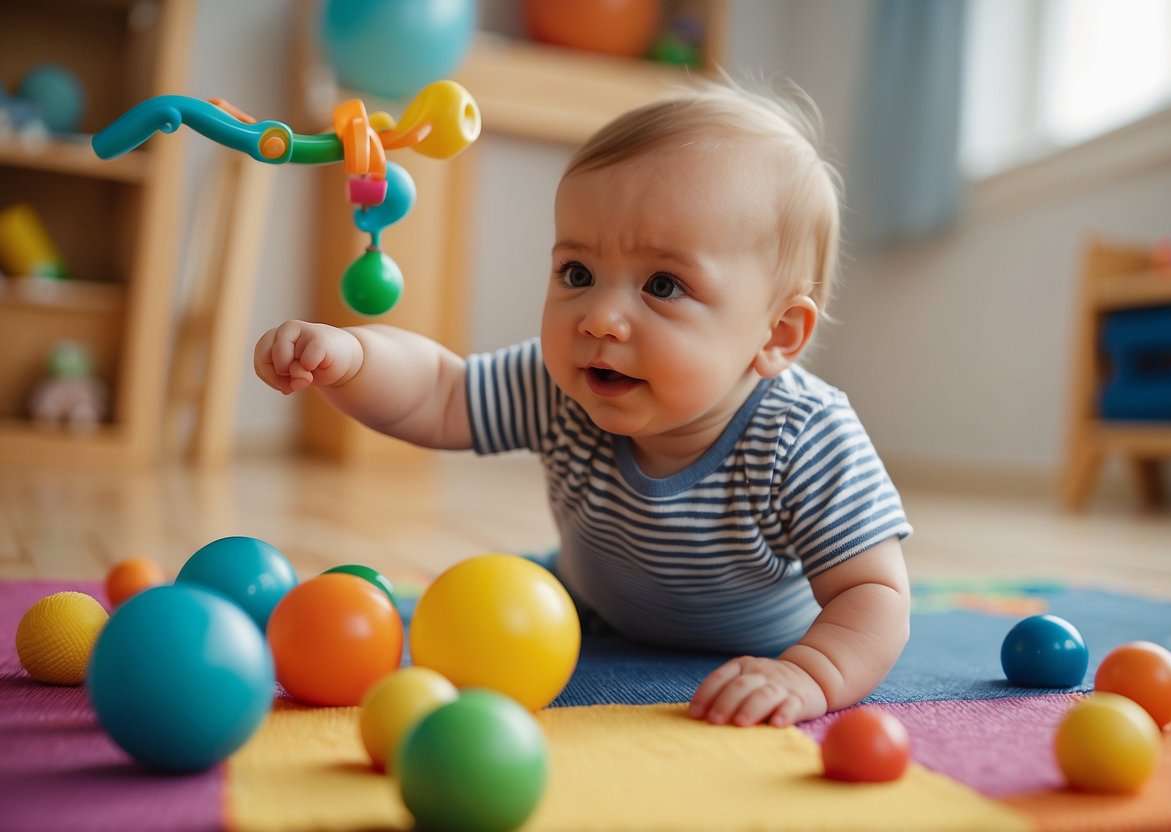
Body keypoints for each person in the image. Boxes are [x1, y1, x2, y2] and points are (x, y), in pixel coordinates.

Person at [254, 76, 912, 727]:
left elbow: (871, 592)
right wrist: (351, 360)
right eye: (577, 273)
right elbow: (440, 391)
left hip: (754, 648)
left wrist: (809, 673)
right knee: (478, 599)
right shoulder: (560, 386)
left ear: (776, 335)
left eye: (661, 284)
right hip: (587, 607)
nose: (599, 317)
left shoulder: (804, 436)